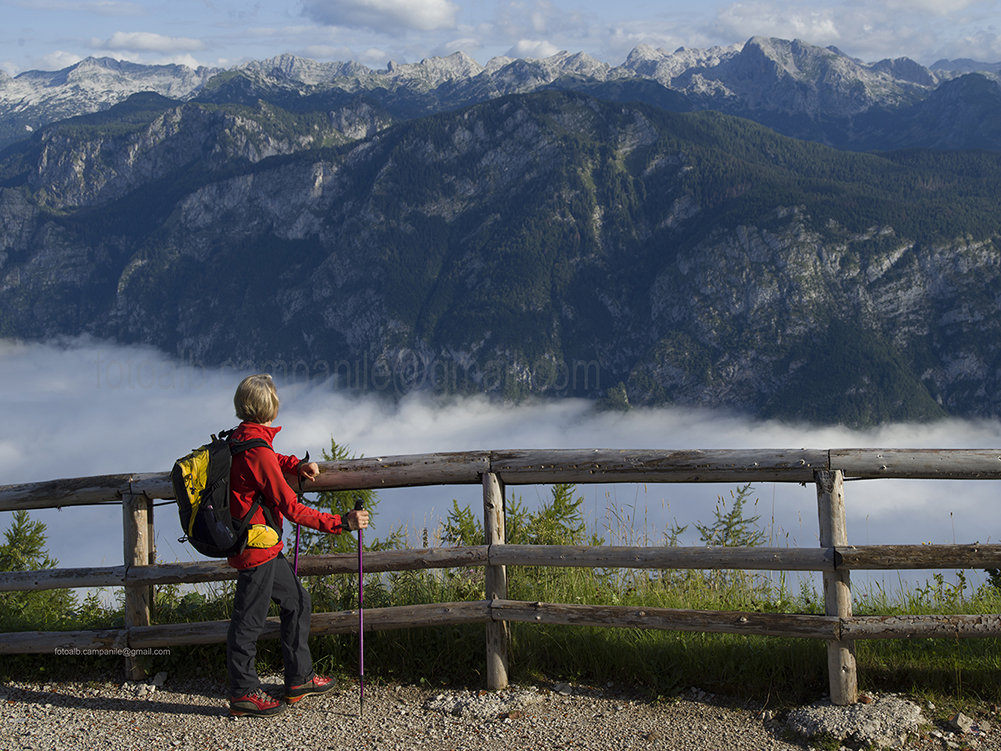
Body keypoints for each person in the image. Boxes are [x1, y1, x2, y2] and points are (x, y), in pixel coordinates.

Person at [226, 373, 369, 718]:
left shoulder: (242, 438)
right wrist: (341, 522)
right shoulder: (255, 448)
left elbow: (269, 463)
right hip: (255, 548)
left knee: (297, 601)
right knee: (248, 621)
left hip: (263, 546)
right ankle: (244, 693)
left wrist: (295, 465)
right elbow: (291, 508)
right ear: (268, 408)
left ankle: (299, 678)